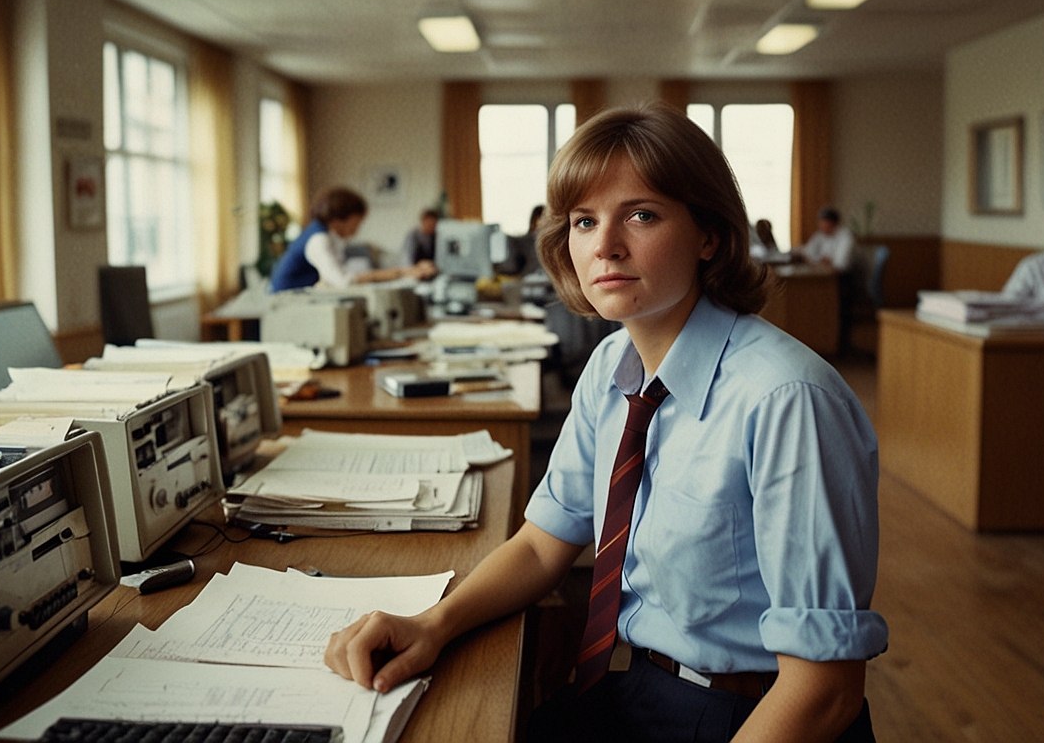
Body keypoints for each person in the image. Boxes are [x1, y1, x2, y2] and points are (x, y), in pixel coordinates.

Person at [324, 105, 886, 742]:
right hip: (637, 683)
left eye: (641, 214)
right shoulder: (611, 363)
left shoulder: (788, 399)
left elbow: (824, 689)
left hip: (756, 712)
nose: (605, 245)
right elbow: (543, 545)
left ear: (709, 235)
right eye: (585, 221)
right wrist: (434, 624)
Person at [269, 186, 436, 292]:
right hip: (286, 305)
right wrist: (402, 272)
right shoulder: (318, 239)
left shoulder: (327, 236)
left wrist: (405, 271)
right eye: (358, 221)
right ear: (342, 218)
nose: (358, 228)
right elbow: (344, 282)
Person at [794, 207, 856, 271]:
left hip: (842, 276)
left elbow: (841, 264)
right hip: (822, 272)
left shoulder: (846, 237)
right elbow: (808, 252)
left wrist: (828, 261)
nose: (820, 225)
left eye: (822, 221)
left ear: (831, 222)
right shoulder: (819, 236)